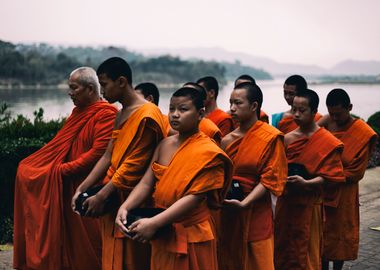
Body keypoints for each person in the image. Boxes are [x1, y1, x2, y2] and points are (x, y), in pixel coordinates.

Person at [115, 87, 233, 270]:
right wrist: (125, 207)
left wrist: (155, 222)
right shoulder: (164, 145)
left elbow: (194, 198)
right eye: (171, 109)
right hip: (162, 231)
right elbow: (147, 183)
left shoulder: (209, 152)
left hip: (192, 233)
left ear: (201, 113)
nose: (175, 115)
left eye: (183, 109)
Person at [13, 67, 118, 270]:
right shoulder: (77, 113)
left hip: (88, 185)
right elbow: (59, 145)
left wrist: (59, 171)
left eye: (73, 88)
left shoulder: (107, 114)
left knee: (89, 241)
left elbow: (97, 154)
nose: (69, 93)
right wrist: (46, 167)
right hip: (68, 183)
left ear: (89, 89)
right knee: (26, 167)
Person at [71, 57, 166, 270]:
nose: (101, 91)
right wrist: (83, 187)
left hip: (134, 199)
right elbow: (108, 155)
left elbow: (134, 165)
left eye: (104, 85)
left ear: (121, 82)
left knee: (133, 259)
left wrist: (101, 195)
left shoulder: (147, 114)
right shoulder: (121, 112)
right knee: (112, 256)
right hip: (112, 194)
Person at [218, 82, 287, 270]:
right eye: (230, 102)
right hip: (230, 210)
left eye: (238, 103)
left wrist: (246, 203)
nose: (231, 108)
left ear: (254, 106)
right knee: (231, 258)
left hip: (257, 210)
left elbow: (271, 177)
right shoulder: (226, 141)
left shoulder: (271, 137)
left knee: (259, 259)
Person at [274, 89, 345, 270]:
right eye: (294, 109)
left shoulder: (327, 141)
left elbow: (333, 176)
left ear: (314, 112)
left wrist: (307, 183)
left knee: (308, 253)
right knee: (283, 249)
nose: (296, 114)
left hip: (310, 205)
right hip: (287, 204)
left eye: (302, 110)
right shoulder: (287, 139)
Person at [318, 89, 378, 270]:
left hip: (345, 191)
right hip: (322, 189)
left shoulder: (363, 132)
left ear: (350, 108)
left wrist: (329, 175)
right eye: (331, 113)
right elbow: (311, 139)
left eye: (339, 114)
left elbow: (356, 172)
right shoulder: (327, 121)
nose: (334, 118)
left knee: (340, 235)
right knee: (321, 232)